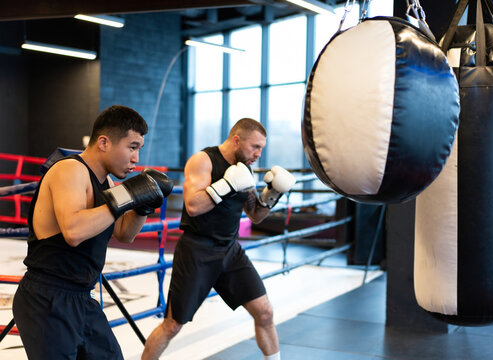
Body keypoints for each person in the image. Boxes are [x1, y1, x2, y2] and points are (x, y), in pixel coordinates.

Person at [12, 105, 174, 360]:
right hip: (47, 299)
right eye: (132, 147)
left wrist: (143, 206)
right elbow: (73, 231)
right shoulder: (69, 170)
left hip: (81, 299)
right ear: (104, 142)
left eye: (139, 149)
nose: (136, 158)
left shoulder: (106, 182)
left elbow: (124, 233)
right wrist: (129, 195)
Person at [142, 118, 296, 360]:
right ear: (236, 140)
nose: (258, 154)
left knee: (265, 312)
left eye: (262, 148)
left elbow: (255, 214)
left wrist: (272, 194)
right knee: (173, 325)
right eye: (254, 147)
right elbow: (192, 206)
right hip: (197, 251)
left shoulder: (244, 167)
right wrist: (226, 185)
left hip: (230, 250)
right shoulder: (203, 161)